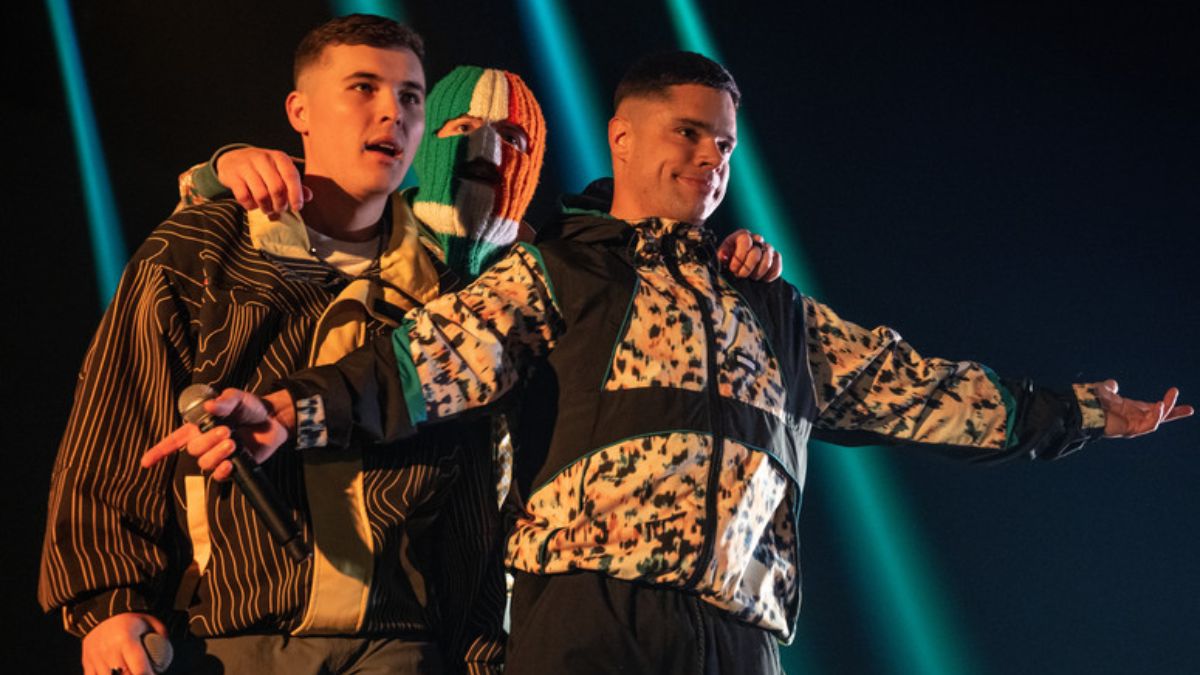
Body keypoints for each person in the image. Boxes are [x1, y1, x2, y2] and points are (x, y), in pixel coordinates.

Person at [146, 50, 1192, 675]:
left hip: (739, 635)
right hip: (585, 624)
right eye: (689, 134)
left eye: (727, 145)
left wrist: (1071, 413)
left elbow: (921, 391)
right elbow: (421, 364)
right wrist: (288, 410)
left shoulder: (772, 306)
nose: (710, 159)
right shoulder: (560, 270)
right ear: (626, 135)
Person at [40, 15, 523, 675]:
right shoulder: (206, 248)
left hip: (398, 644)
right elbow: (117, 425)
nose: (392, 113)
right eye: (363, 88)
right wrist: (107, 602)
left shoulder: (441, 289)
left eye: (411, 96)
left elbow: (471, 496)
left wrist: (478, 651)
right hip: (231, 639)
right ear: (300, 110)